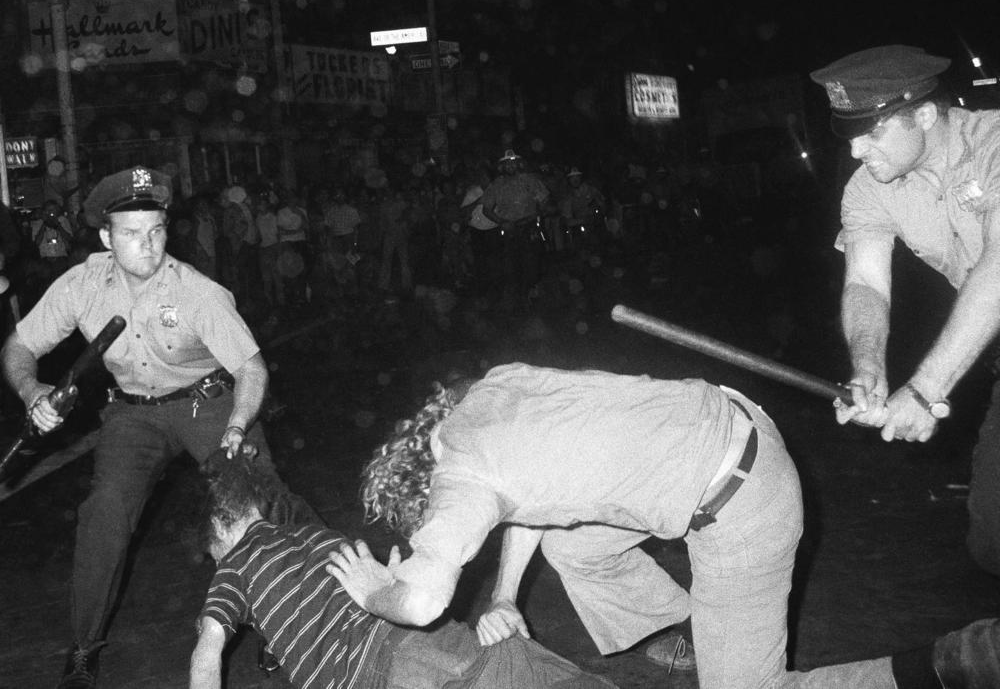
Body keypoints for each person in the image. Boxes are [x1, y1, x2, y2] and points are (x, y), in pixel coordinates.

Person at [325, 364, 1000, 689]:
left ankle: (941, 665)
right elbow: (521, 497)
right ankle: (698, 627)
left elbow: (420, 600)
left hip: (743, 506)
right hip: (736, 423)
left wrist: (372, 592)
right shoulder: (492, 391)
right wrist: (503, 596)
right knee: (570, 542)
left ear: (425, 491)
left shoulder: (462, 481)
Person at [0, 166, 318, 689]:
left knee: (262, 509)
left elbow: (251, 369)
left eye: (156, 231)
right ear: (105, 237)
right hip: (132, 414)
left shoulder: (198, 292)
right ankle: (82, 649)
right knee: (104, 513)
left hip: (210, 403)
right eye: (131, 234)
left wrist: (238, 426)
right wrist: (32, 391)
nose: (147, 246)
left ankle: (286, 625)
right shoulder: (81, 284)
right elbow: (19, 346)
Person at [190, 449, 617, 689]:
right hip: (421, 635)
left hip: (367, 679)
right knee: (517, 670)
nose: (217, 562)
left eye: (214, 553)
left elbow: (208, 651)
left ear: (222, 527)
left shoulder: (234, 569)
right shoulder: (315, 536)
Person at [809, 44, 1000, 576]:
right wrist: (868, 371)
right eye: (850, 134)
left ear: (923, 114)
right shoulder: (870, 187)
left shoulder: (995, 143)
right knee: (993, 540)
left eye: (872, 131)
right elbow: (867, 284)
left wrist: (925, 389)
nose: (855, 150)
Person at [480, 150, 549, 311]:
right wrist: (501, 222)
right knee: (511, 265)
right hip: (509, 229)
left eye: (513, 162)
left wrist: (537, 214)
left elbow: (544, 200)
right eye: (507, 163)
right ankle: (517, 299)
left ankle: (532, 294)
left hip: (529, 226)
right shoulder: (497, 184)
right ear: (502, 166)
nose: (510, 165)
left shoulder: (529, 180)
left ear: (517, 163)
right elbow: (486, 209)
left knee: (532, 262)